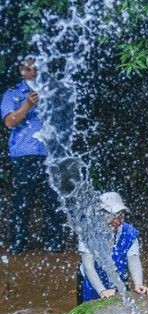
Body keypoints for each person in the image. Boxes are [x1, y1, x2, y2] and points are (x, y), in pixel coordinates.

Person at [2, 56, 68, 253]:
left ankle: (53, 244)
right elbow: (9, 122)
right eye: (29, 69)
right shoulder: (12, 94)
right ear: (22, 70)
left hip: (50, 155)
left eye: (37, 68)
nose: (34, 72)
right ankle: (18, 244)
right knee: (22, 201)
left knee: (53, 201)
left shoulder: (52, 92)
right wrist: (28, 105)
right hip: (24, 155)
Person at [77, 192, 148, 303]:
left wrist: (138, 284)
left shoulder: (129, 232)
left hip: (118, 277)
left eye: (120, 216)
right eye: (112, 216)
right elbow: (89, 267)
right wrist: (102, 291)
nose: (117, 221)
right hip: (90, 280)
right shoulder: (87, 232)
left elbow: (134, 258)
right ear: (100, 214)